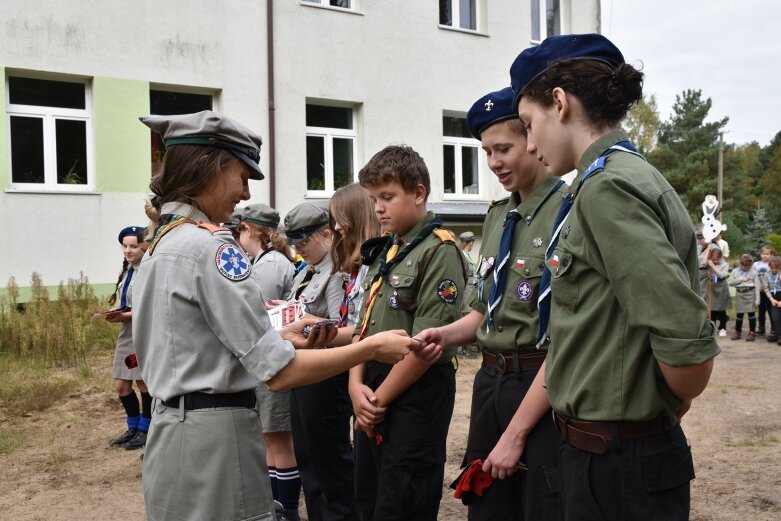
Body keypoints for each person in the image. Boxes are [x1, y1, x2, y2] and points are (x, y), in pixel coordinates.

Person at [132, 110, 421, 521]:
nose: (245, 193)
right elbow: (280, 373)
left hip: (171, 430)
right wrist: (370, 347)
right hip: (214, 440)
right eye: (242, 175)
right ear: (210, 168)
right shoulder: (210, 248)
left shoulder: (164, 241)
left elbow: (195, 340)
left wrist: (280, 334)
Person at [510, 34, 720, 520]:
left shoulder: (608, 187)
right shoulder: (623, 174)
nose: (530, 144)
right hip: (617, 453)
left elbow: (682, 334)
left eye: (528, 124)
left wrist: (662, 405)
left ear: (559, 103)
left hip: (618, 463)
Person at [417, 86, 565, 521]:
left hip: (542, 382)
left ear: (533, 141)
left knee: (540, 504)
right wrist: (443, 335)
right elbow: (485, 311)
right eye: (487, 152)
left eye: (504, 148)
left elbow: (567, 334)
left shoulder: (570, 209)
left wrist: (519, 430)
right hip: (490, 382)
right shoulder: (498, 215)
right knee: (486, 503)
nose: (494, 162)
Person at [350, 144, 466, 521]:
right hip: (372, 385)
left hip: (414, 390)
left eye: (387, 197)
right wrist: (356, 388)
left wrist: (377, 401)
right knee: (369, 497)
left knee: (403, 500)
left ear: (418, 193)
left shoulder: (439, 251)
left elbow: (423, 345)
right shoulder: (388, 251)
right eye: (373, 199)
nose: (378, 208)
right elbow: (363, 326)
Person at [282, 200, 358, 521]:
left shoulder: (337, 270)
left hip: (326, 374)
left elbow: (342, 327)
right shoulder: (310, 270)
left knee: (330, 463)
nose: (298, 250)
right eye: (294, 243)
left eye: (303, 242)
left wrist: (300, 319)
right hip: (304, 370)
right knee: (308, 460)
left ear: (327, 234)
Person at [236, 203, 300, 521]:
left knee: (278, 439)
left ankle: (286, 508)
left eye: (240, 231)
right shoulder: (263, 261)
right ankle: (278, 504)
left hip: (275, 361)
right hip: (270, 360)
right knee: (271, 438)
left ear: (250, 230)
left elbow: (263, 317)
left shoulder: (269, 266)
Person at [106, 225, 151, 451]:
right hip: (127, 330)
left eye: (133, 246)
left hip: (142, 329)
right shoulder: (128, 270)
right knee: (122, 384)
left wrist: (124, 314)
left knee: (143, 382)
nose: (128, 250)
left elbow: (150, 304)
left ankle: (146, 429)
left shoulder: (148, 270)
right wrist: (116, 311)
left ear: (144, 247)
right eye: (125, 246)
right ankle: (133, 426)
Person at [456, 231, 478, 359]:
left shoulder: (466, 255)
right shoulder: (460, 255)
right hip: (465, 292)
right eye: (471, 244)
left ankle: (464, 348)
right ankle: (466, 349)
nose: (472, 246)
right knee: (466, 319)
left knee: (466, 318)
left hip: (470, 290)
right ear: (468, 243)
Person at [701, 244, 731, 336]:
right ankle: (712, 327)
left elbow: (722, 275)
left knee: (721, 310)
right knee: (712, 309)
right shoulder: (709, 262)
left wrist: (713, 266)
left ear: (721, 257)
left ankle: (722, 328)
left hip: (721, 287)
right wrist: (708, 249)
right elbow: (703, 263)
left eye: (717, 259)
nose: (715, 261)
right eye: (713, 259)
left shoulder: (725, 264)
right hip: (711, 287)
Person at [729, 254, 759, 341]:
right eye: (745, 267)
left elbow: (757, 287)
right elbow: (731, 283)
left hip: (751, 294)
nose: (747, 268)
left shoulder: (754, 272)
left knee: (751, 314)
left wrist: (757, 300)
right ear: (741, 264)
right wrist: (741, 279)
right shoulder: (735, 271)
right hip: (740, 294)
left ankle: (752, 333)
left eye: (749, 267)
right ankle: (737, 332)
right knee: (739, 314)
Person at [753, 245, 774, 336]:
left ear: (772, 255)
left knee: (771, 311)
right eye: (763, 253)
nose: (765, 256)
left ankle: (774, 329)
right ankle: (761, 329)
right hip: (759, 292)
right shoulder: (756, 264)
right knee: (761, 311)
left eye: (767, 254)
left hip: (769, 292)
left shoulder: (773, 265)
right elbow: (753, 276)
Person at [760, 255, 781, 344]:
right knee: (775, 317)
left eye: (776, 268)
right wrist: (772, 299)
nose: (774, 270)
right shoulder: (766, 274)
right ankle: (777, 334)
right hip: (773, 297)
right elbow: (766, 288)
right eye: (772, 268)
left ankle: (779, 336)